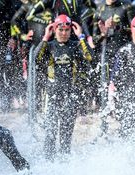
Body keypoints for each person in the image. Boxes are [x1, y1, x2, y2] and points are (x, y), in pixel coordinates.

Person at [35, 14, 93, 160]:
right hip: (52, 94)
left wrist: (81, 37)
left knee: (66, 135)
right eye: (60, 29)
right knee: (50, 133)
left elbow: (90, 57)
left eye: (67, 30)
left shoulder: (74, 45)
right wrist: (45, 38)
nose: (63, 33)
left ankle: (64, 164)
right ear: (55, 29)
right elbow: (35, 59)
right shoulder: (49, 46)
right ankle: (48, 163)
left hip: (70, 95)